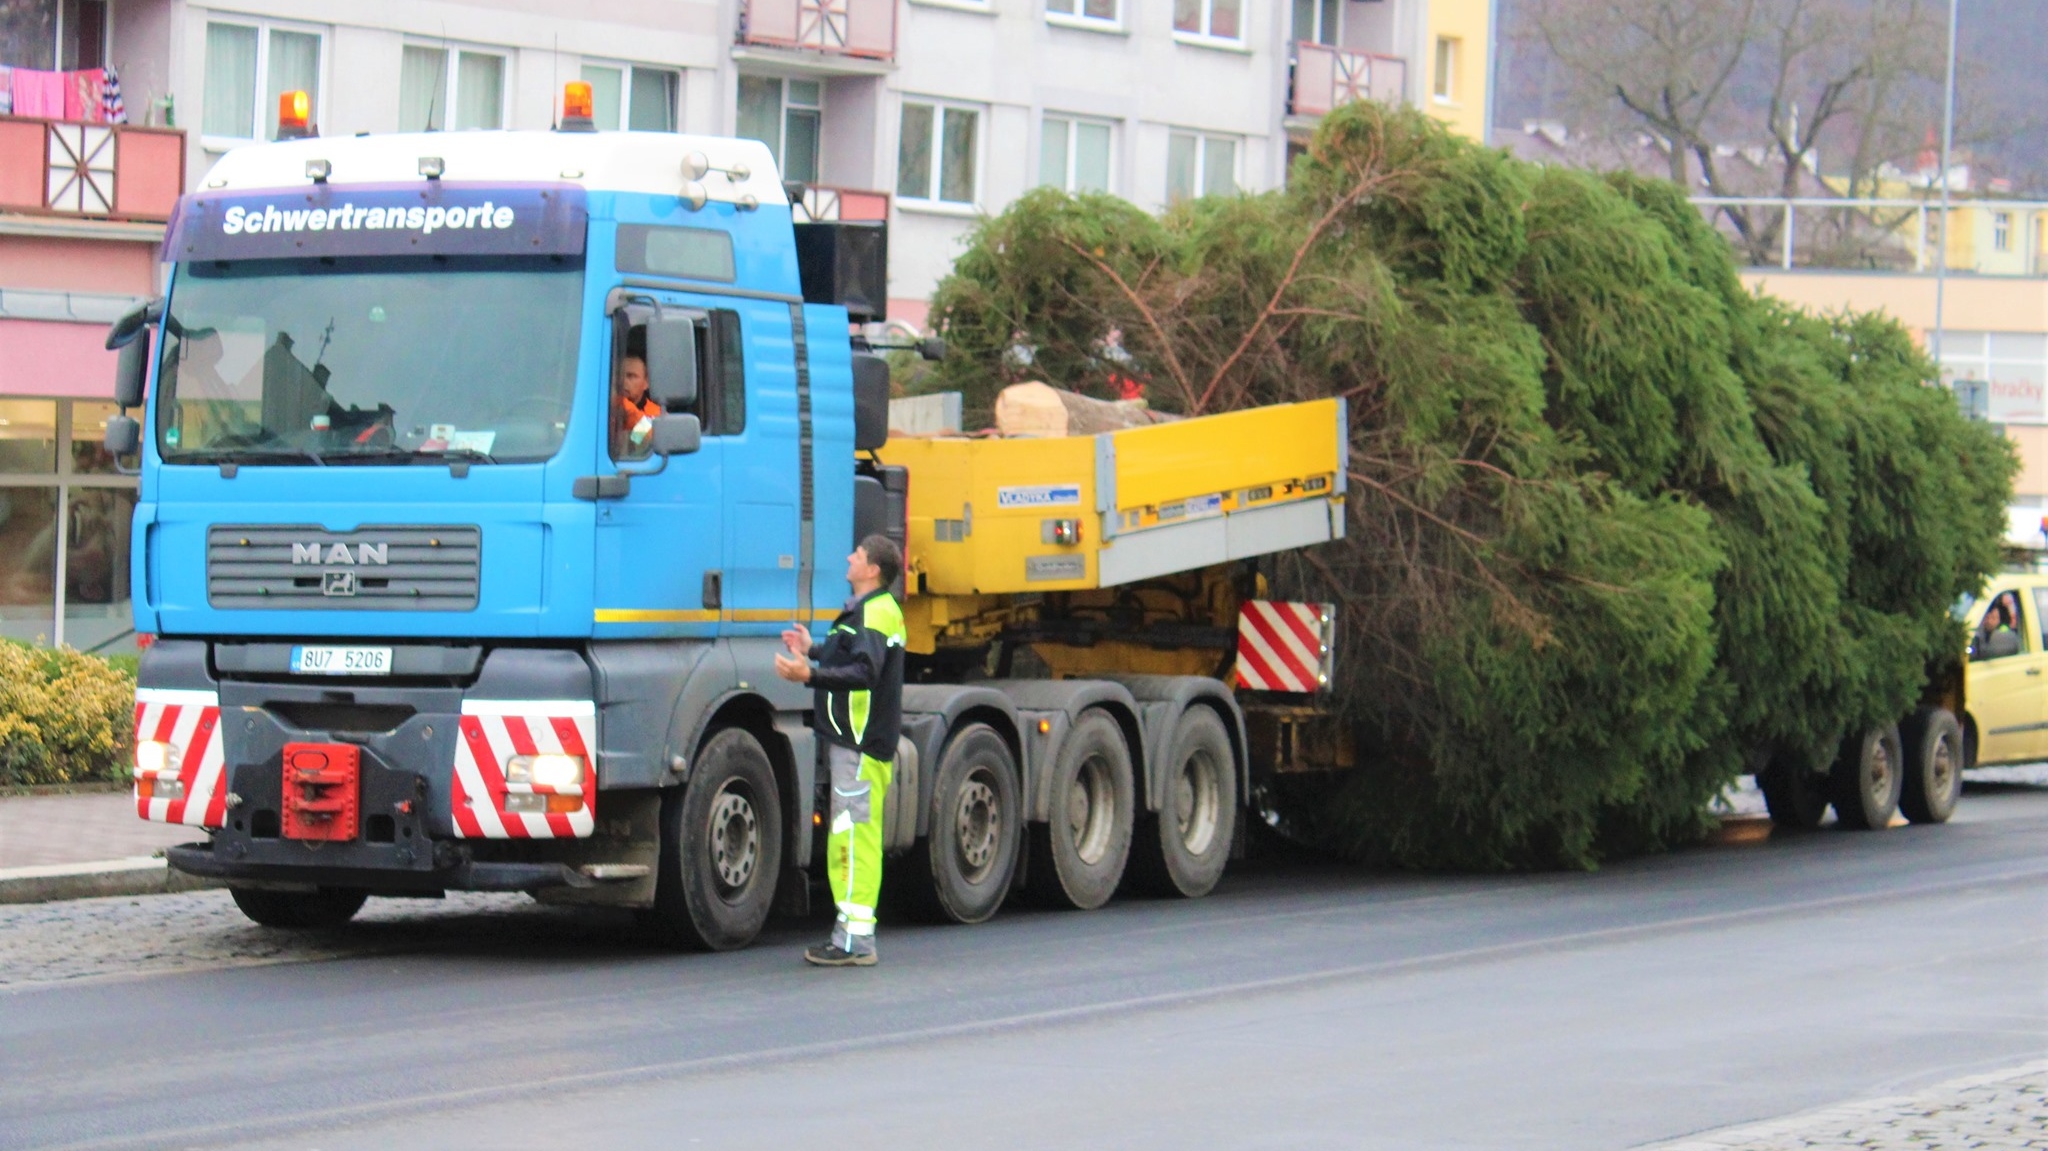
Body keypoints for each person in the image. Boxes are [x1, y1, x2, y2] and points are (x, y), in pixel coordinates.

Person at [776, 535, 906, 967]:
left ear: (871, 570)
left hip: (860, 745)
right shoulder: (869, 611)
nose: (850, 558)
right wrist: (810, 648)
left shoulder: (874, 613)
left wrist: (807, 675)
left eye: (858, 555)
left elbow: (864, 672)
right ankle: (850, 935)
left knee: (854, 841)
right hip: (853, 744)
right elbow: (848, 655)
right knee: (848, 838)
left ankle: (855, 941)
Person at [614, 354, 660, 456]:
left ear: (646, 383)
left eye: (631, 376)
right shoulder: (604, 409)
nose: (623, 381)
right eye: (619, 375)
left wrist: (624, 405)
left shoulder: (655, 414)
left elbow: (637, 440)